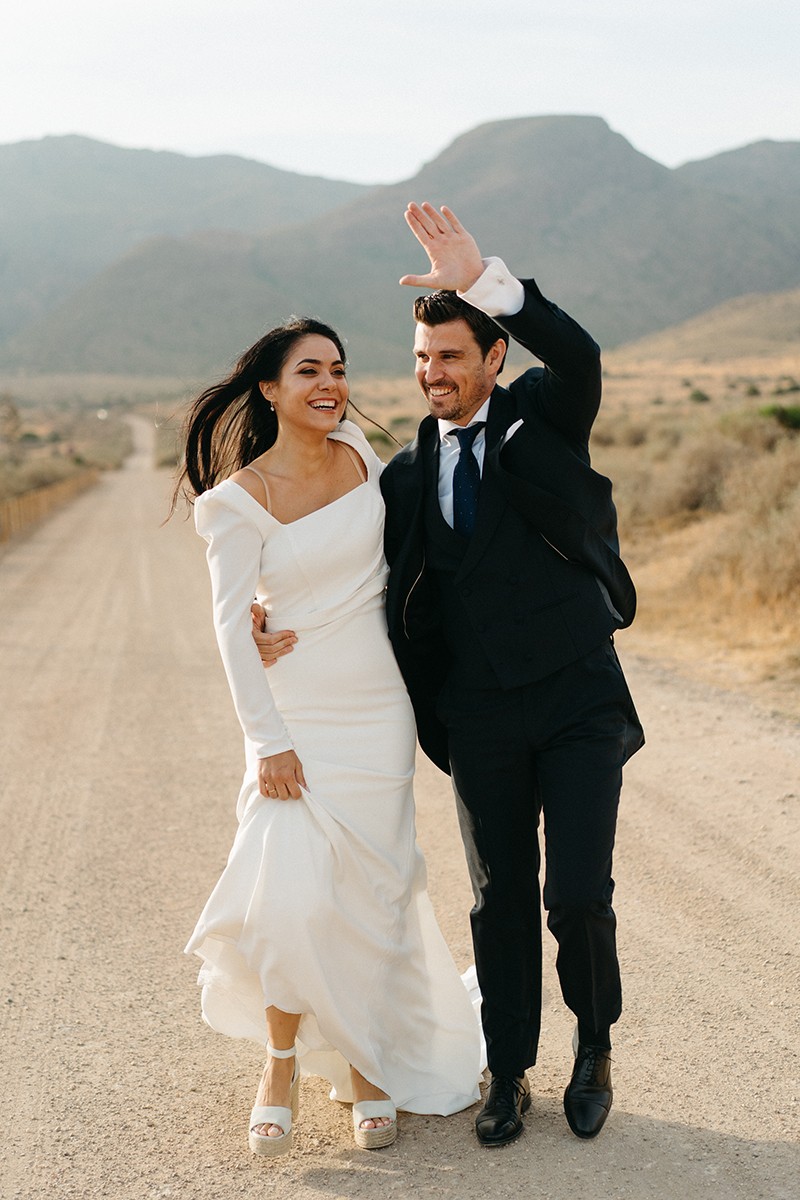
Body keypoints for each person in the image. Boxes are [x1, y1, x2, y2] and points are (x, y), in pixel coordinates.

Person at [258, 203, 643, 1147]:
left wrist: (486, 283)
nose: (433, 374)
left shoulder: (544, 419)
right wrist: (270, 614)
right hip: (478, 715)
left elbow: (582, 357)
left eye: (452, 356)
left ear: (492, 359)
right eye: (422, 360)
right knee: (497, 896)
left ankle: (594, 1045)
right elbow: (349, 570)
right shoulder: (398, 475)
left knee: (578, 894)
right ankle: (508, 1071)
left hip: (577, 700)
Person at [177, 316, 482, 1158]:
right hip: (296, 717)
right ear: (269, 388)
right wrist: (267, 740)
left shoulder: (359, 453)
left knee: (374, 894)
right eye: (308, 370)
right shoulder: (233, 503)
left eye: (338, 369)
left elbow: (396, 563)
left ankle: (367, 1062)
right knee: (287, 898)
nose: (329, 384)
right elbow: (230, 631)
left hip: (377, 705)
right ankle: (278, 1063)